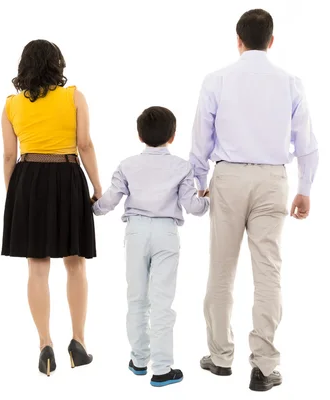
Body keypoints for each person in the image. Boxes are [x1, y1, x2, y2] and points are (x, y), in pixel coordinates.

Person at [189, 9, 320, 392]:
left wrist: (199, 180)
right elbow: (307, 144)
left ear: (238, 40)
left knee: (221, 269)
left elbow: (201, 138)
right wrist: (305, 188)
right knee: (268, 273)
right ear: (272, 40)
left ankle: (220, 356)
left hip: (227, 177)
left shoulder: (216, 80)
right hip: (273, 179)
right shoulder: (290, 83)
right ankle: (264, 366)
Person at [1, 39, 103, 376]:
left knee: (37, 268)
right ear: (57, 64)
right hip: (67, 174)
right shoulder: (74, 96)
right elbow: (84, 144)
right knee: (75, 264)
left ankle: (45, 345)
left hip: (28, 178)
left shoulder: (11, 105)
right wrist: (98, 186)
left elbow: (8, 156)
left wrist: (14, 195)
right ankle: (78, 341)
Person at [92, 106, 210, 387]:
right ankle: (162, 368)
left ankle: (139, 360)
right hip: (166, 233)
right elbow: (193, 207)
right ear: (172, 136)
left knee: (136, 298)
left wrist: (92, 208)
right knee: (162, 302)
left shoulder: (128, 164)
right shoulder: (182, 167)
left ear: (139, 135)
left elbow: (108, 200)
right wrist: (207, 198)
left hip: (135, 232)